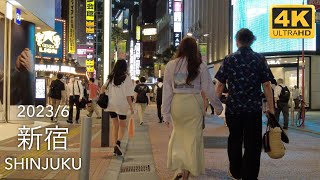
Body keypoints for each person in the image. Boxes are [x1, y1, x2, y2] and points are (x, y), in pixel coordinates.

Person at [215, 28, 274, 180]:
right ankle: (250, 175)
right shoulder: (259, 59)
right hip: (253, 109)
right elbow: (267, 85)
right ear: (252, 40)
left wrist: (216, 105)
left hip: (234, 108)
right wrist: (271, 108)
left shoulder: (229, 59)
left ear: (237, 40)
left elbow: (220, 84)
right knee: (253, 144)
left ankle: (236, 171)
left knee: (234, 139)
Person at [162, 37, 223, 180]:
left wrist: (165, 114)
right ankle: (185, 174)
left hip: (177, 104)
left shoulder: (171, 65)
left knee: (178, 135)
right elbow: (208, 88)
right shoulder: (200, 65)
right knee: (193, 139)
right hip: (193, 104)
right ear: (195, 49)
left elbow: (167, 91)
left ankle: (179, 169)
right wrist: (218, 107)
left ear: (181, 48)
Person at [100, 59, 134, 156]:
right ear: (125, 67)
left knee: (115, 125)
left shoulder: (111, 77)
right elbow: (128, 95)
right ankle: (118, 143)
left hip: (111, 104)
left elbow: (102, 88)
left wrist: (104, 96)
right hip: (122, 104)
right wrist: (131, 107)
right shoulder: (127, 78)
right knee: (122, 125)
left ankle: (116, 145)